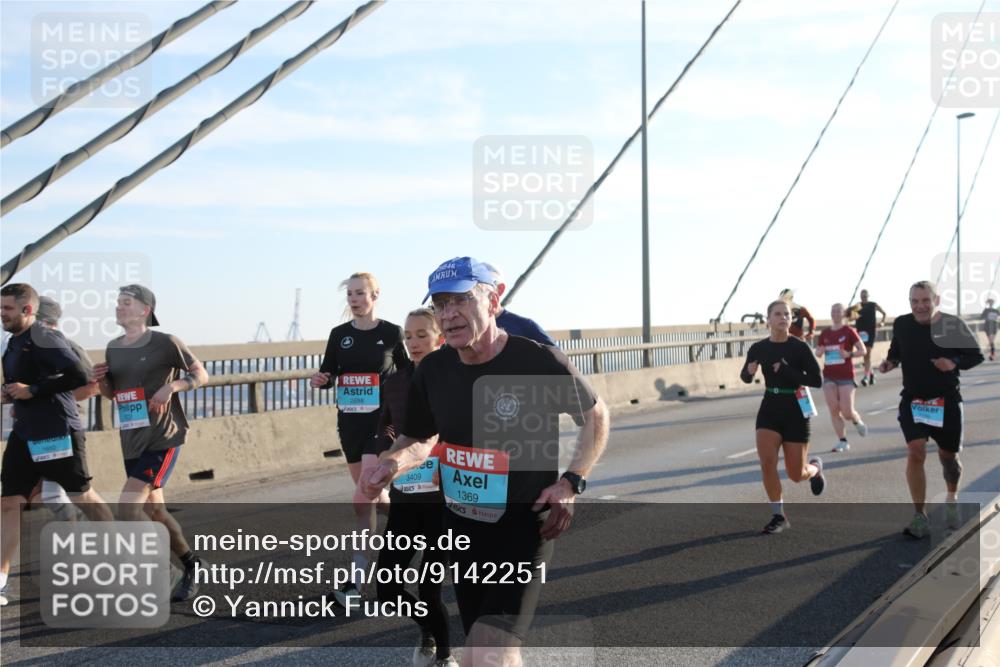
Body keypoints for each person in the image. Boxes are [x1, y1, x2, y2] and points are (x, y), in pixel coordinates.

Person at [362, 256, 609, 667]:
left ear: (494, 300)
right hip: (462, 529)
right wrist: (391, 464)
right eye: (441, 304)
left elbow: (596, 414)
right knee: (490, 648)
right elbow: (419, 437)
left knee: (485, 653)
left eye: (460, 301)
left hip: (522, 530)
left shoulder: (536, 360)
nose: (449, 314)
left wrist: (571, 482)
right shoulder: (435, 369)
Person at [92, 285, 210, 601]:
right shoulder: (113, 347)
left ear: (145, 310)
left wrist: (173, 386)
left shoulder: (166, 342)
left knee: (127, 507)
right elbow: (112, 394)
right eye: (117, 302)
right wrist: (101, 380)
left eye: (125, 303)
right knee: (155, 513)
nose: (118, 307)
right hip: (132, 438)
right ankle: (192, 564)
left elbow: (202, 374)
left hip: (164, 436)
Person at [1, 283, 114, 606]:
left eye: (7, 308)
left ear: (28, 310)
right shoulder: (13, 344)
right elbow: (18, 383)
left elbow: (79, 375)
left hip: (57, 429)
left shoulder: (45, 337)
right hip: (25, 433)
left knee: (81, 494)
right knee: (9, 502)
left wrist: (34, 391)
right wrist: (9, 393)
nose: (1, 314)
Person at [309, 272, 408, 606]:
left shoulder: (392, 333)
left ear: (375, 295)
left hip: (382, 425)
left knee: (361, 499)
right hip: (349, 422)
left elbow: (408, 373)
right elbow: (329, 372)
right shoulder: (339, 335)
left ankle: (354, 583)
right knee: (373, 495)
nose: (354, 299)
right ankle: (411, 525)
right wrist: (321, 380)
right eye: (350, 294)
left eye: (360, 293)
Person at [372, 307, 456, 667]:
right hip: (407, 495)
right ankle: (427, 631)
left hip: (445, 500)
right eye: (408, 336)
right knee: (386, 589)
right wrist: (387, 453)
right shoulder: (395, 382)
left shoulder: (456, 377)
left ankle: (446, 655)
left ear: (440, 336)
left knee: (429, 587)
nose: (414, 342)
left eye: (422, 334)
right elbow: (386, 426)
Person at [878, 281, 983, 538]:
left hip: (945, 401)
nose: (920, 306)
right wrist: (890, 363)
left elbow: (976, 355)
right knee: (915, 453)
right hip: (914, 400)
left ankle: (951, 498)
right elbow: (897, 351)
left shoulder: (952, 324)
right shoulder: (902, 324)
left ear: (936, 300)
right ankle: (919, 515)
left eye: (925, 301)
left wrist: (953, 362)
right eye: (914, 301)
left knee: (949, 460)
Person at [741, 299, 825, 534]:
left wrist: (787, 370)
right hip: (770, 407)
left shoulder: (799, 347)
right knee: (767, 463)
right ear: (768, 320)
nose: (783, 318)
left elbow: (817, 380)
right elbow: (745, 376)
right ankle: (778, 515)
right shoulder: (759, 348)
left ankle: (815, 469)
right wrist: (748, 372)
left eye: (786, 314)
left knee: (796, 474)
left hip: (796, 409)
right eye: (777, 314)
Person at [34, 296, 100, 521]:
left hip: (63, 426)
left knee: (56, 493)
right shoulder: (33, 347)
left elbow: (92, 385)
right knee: (52, 492)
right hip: (43, 427)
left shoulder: (67, 346)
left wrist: (53, 400)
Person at [815, 303, 868, 453]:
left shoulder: (849, 331)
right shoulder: (825, 333)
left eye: (838, 311)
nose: (835, 313)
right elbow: (818, 353)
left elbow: (862, 350)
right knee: (833, 409)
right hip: (829, 376)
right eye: (833, 311)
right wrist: (819, 351)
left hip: (845, 376)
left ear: (844, 314)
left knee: (846, 411)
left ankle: (856, 420)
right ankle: (842, 441)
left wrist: (848, 354)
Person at [480, 262, 557, 346]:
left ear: (500, 289)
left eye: (485, 285)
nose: (478, 292)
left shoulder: (525, 327)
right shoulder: (467, 328)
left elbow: (557, 356)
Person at [849, 289, 887, 386]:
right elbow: (850, 318)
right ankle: (872, 374)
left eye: (865, 296)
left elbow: (884, 313)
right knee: (864, 355)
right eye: (862, 296)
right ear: (860, 297)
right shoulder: (857, 306)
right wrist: (852, 313)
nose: (864, 298)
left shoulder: (873, 304)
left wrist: (882, 322)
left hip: (870, 332)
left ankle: (865, 377)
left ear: (868, 296)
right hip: (860, 332)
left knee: (868, 354)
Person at [980, 297, 998, 361]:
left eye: (992, 302)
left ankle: (992, 354)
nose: (991, 303)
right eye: (990, 302)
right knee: (991, 341)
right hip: (988, 326)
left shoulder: (995, 310)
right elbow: (981, 317)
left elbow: (997, 317)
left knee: (991, 341)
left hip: (994, 326)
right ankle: (992, 354)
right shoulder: (986, 310)